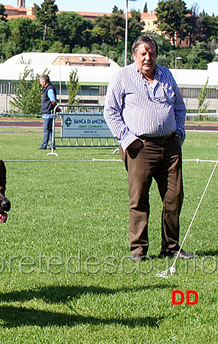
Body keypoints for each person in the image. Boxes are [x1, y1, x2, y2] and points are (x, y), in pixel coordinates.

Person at [104, 34, 193, 261]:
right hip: (139, 147)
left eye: (151, 53)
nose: (148, 57)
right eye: (143, 53)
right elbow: (111, 111)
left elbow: (180, 108)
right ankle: (138, 250)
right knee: (139, 200)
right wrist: (126, 139)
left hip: (170, 147)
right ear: (135, 55)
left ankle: (171, 247)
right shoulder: (122, 77)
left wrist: (179, 133)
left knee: (174, 198)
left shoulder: (166, 75)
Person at [38, 74, 57, 150]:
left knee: (46, 129)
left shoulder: (50, 89)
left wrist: (55, 108)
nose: (40, 84)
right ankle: (51, 145)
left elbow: (53, 101)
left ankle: (44, 145)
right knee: (49, 130)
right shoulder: (48, 89)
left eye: (41, 82)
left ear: (44, 82)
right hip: (48, 113)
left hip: (48, 113)